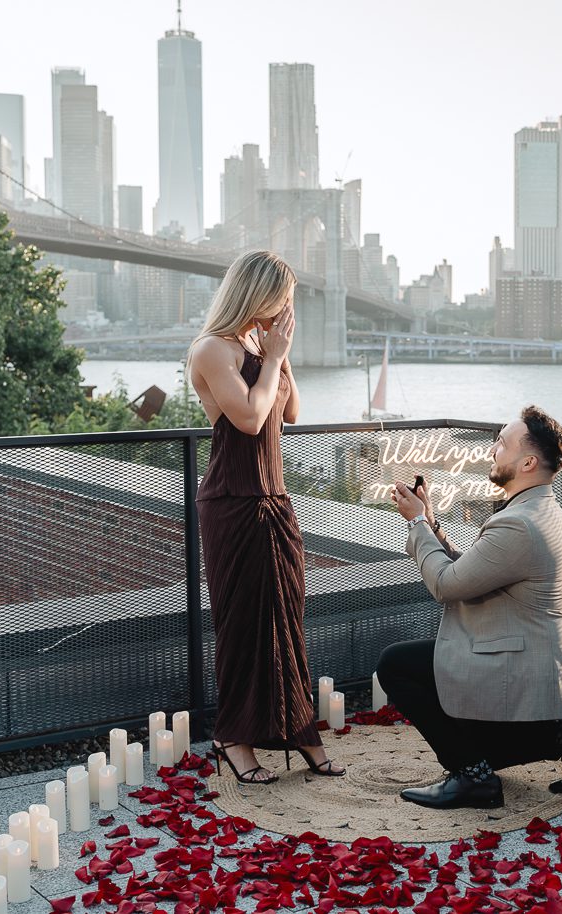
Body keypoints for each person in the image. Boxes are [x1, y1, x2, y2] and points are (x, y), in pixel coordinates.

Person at [377, 406, 562, 810]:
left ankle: (473, 777)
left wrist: (415, 525)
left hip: (522, 663)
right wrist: (430, 523)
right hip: (538, 655)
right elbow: (475, 570)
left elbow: (447, 585)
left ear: (528, 462)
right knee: (434, 684)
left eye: (502, 443)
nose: (492, 450)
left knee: (396, 665)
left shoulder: (519, 523)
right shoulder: (540, 508)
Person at [188, 250, 344, 785]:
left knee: (285, 623)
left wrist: (281, 354)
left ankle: (298, 733)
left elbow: (292, 412)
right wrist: (272, 360)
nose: (284, 310)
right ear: (254, 294)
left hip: (274, 502)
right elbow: (252, 420)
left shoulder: (259, 346)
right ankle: (233, 738)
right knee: (243, 627)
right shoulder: (212, 349)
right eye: (279, 299)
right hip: (233, 502)